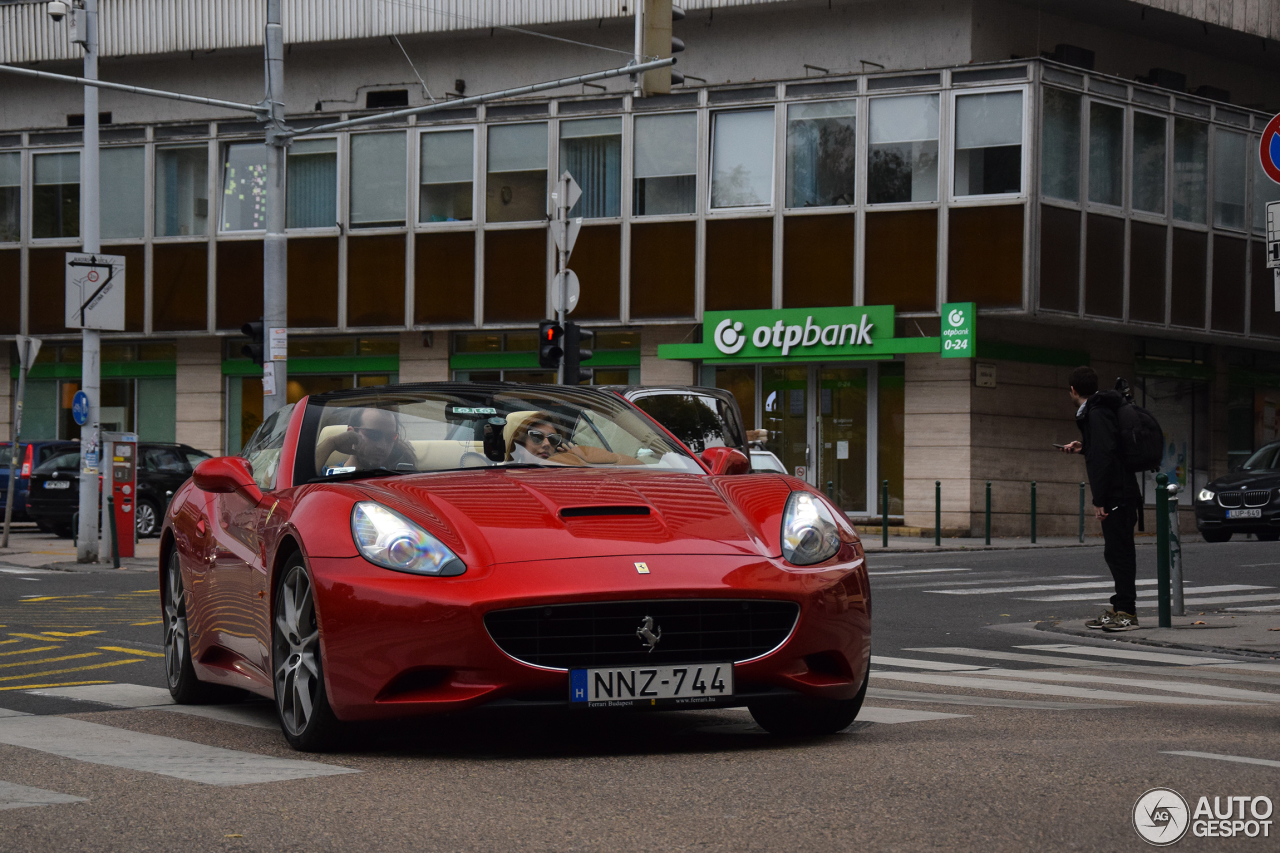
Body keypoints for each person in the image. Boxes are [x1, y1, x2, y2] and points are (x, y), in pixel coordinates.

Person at [1059, 366, 1142, 632]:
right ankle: (1120, 607)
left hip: (1118, 493)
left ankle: (1127, 611)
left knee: (1120, 553)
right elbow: (1106, 449)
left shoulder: (1097, 413)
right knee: (1115, 552)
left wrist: (1099, 499)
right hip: (1120, 490)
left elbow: (1105, 457)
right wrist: (1084, 448)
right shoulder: (1099, 411)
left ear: (1073, 390)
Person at [503, 410, 641, 466]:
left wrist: (583, 459)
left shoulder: (567, 473)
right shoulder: (502, 478)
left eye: (553, 439)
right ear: (520, 446)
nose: (546, 444)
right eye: (537, 437)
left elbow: (641, 466)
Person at [315, 407, 418, 473]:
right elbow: (300, 479)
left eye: (391, 437)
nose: (382, 446)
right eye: (373, 435)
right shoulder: (326, 474)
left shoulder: (395, 479)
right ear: (351, 433)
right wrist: (331, 443)